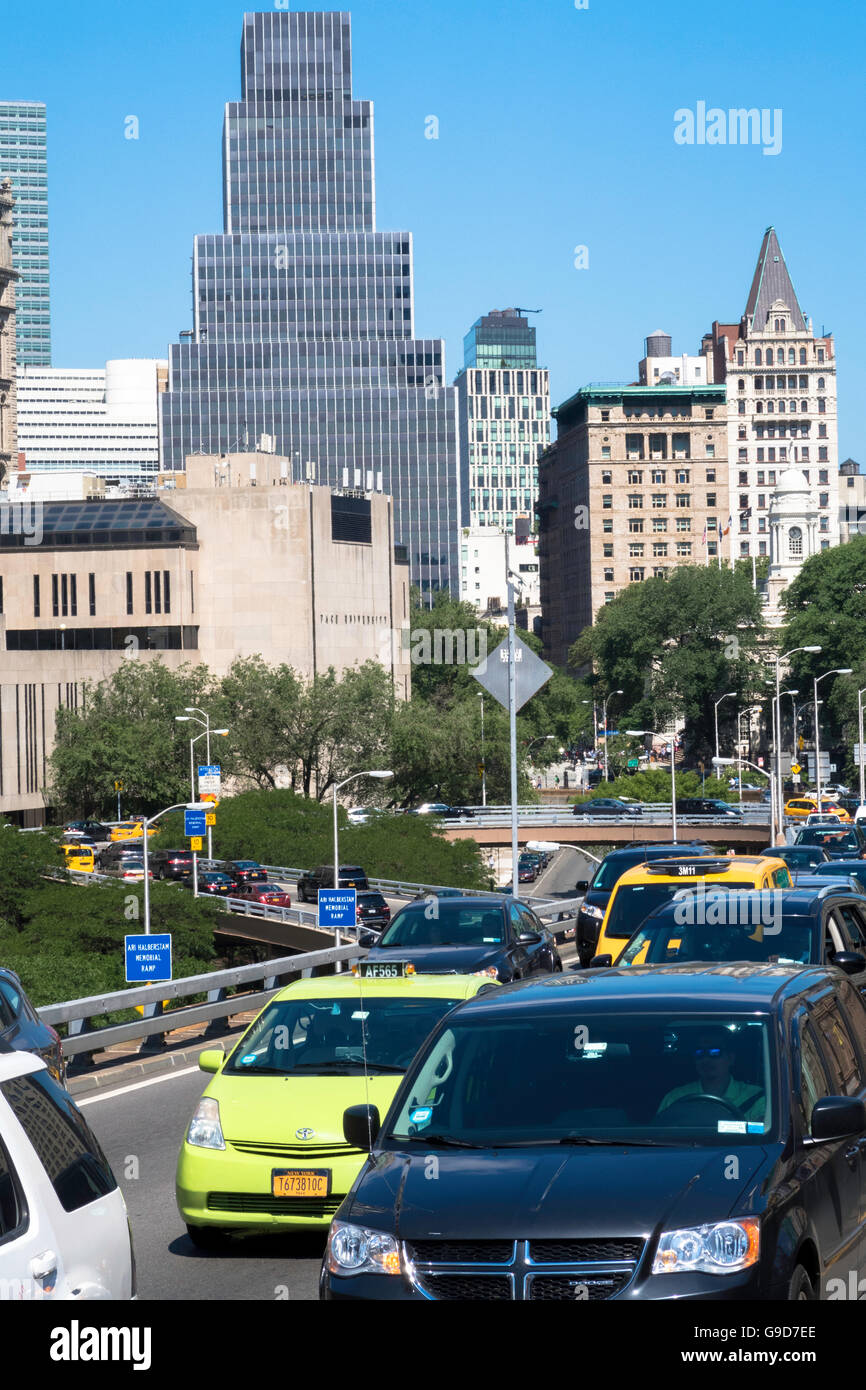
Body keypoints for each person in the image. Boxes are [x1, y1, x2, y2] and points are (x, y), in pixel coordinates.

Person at [657, 1028, 764, 1120]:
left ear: (731, 1058)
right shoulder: (675, 1098)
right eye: (699, 1053)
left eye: (715, 1052)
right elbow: (660, 1135)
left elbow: (762, 1139)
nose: (706, 1059)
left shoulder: (755, 1097)